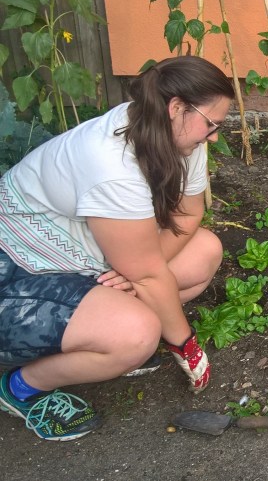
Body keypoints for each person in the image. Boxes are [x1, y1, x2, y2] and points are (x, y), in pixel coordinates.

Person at [0, 55, 232, 441]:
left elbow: (190, 216)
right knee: (137, 333)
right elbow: (147, 272)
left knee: (204, 252)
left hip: (87, 254)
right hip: (19, 270)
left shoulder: (178, 137)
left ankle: (97, 335)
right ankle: (19, 387)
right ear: (177, 108)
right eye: (211, 125)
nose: (214, 137)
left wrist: (134, 273)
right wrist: (186, 346)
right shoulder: (110, 162)